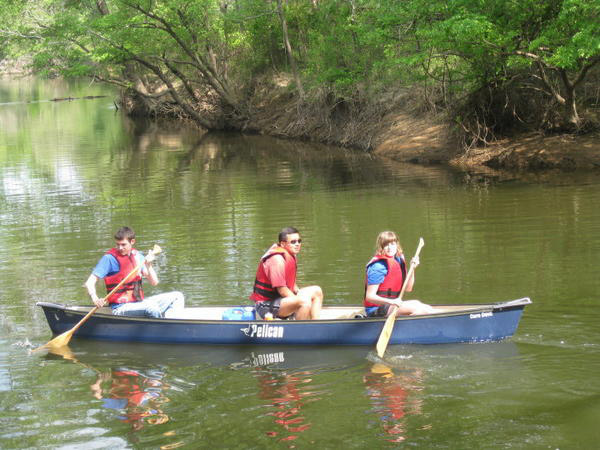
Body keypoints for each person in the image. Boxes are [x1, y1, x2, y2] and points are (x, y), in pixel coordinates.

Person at [84, 226, 184, 318]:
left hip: (139, 303)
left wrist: (149, 265)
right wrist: (95, 299)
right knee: (151, 307)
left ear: (132, 241)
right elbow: (90, 282)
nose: (120, 248)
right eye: (117, 244)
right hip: (120, 307)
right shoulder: (109, 259)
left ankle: (171, 324)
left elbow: (154, 282)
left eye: (123, 244)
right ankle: (162, 327)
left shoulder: (138, 256)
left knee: (177, 296)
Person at [250, 227, 323, 320]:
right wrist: (298, 300)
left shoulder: (290, 255)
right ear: (283, 244)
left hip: (281, 300)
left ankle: (316, 325)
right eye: (293, 242)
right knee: (304, 302)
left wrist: (298, 293)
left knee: (317, 291)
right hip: (266, 305)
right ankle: (300, 331)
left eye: (299, 241)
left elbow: (291, 282)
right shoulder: (276, 260)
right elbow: (282, 290)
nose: (297, 244)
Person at [364, 231, 434, 317]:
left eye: (392, 244)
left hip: (392, 305)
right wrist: (392, 301)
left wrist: (412, 269)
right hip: (376, 309)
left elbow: (408, 288)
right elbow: (369, 297)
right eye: (386, 245)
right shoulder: (378, 267)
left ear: (397, 245)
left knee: (425, 307)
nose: (390, 248)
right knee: (420, 310)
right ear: (381, 247)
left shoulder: (399, 261)